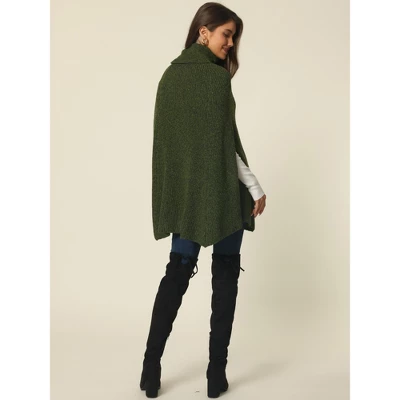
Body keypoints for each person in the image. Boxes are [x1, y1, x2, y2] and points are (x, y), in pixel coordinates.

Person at [140, 2, 267, 398]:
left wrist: (178, 193)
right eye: (227, 34)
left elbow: (178, 148)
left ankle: (150, 369)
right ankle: (215, 375)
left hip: (190, 197)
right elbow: (225, 146)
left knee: (178, 273)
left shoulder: (169, 77)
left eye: (234, 37)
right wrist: (255, 187)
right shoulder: (214, 80)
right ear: (204, 31)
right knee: (223, 277)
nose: (230, 43)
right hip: (222, 195)